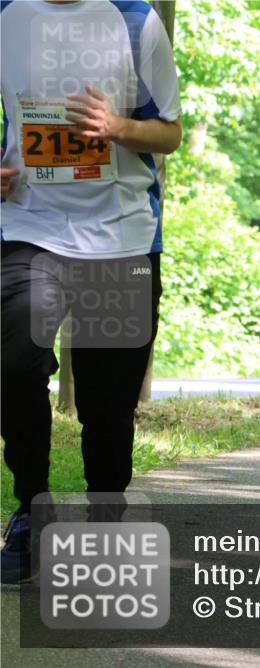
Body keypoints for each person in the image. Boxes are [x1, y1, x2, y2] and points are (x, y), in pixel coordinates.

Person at [1, 0, 182, 583]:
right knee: (13, 363)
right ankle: (31, 507)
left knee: (107, 401)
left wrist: (118, 128)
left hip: (121, 236)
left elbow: (170, 132)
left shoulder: (136, 22)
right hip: (29, 227)